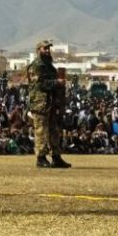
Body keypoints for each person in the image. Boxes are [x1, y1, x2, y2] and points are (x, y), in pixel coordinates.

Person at [26, 40, 69, 168]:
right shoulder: (36, 66)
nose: (47, 51)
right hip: (40, 104)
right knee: (41, 131)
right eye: (45, 48)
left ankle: (56, 156)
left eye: (48, 48)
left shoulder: (49, 66)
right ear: (38, 50)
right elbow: (40, 84)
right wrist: (57, 82)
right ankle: (41, 158)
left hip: (51, 103)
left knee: (54, 131)